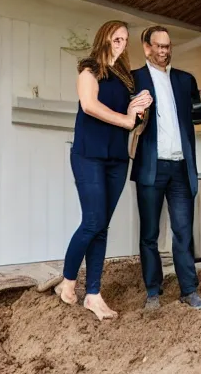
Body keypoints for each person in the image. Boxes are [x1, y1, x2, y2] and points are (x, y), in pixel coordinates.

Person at [54, 20, 152, 321]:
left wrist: (139, 108)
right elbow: (89, 106)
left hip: (117, 160)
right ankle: (68, 281)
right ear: (104, 38)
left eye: (124, 39)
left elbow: (134, 121)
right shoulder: (89, 71)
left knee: (101, 226)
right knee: (93, 220)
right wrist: (125, 120)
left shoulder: (126, 80)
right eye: (116, 37)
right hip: (88, 156)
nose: (121, 43)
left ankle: (93, 294)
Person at [131, 26, 201, 310]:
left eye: (168, 46)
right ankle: (152, 292)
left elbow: (196, 115)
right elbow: (130, 119)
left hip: (181, 168)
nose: (164, 51)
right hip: (151, 167)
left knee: (183, 231)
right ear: (146, 47)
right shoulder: (134, 79)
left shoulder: (185, 80)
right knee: (149, 234)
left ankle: (189, 290)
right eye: (158, 46)